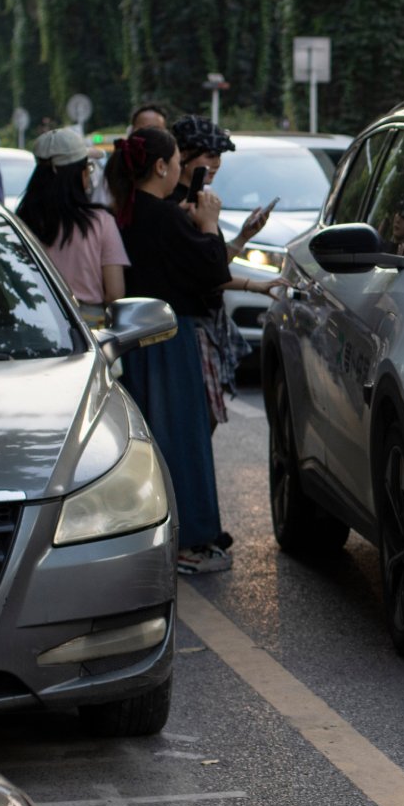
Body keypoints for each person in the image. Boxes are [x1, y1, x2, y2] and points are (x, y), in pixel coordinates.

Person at [106, 126, 235, 575]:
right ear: (161, 167)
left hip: (130, 339)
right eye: (177, 161)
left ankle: (152, 535)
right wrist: (209, 226)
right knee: (182, 438)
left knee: (145, 444)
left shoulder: (124, 212)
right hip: (168, 334)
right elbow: (210, 272)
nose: (181, 168)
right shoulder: (164, 216)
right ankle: (190, 540)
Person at [168, 115, 279, 427]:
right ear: (184, 156)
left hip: (207, 323)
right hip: (190, 326)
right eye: (209, 155)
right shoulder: (177, 207)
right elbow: (206, 272)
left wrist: (244, 237)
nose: (215, 164)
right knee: (199, 418)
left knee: (207, 417)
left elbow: (213, 265)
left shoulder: (201, 200)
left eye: (219, 157)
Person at [16, 128, 128, 326]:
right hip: (89, 329)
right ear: (80, 175)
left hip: (34, 322)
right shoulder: (101, 222)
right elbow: (115, 293)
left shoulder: (20, 223)